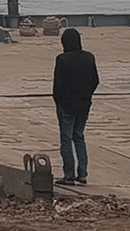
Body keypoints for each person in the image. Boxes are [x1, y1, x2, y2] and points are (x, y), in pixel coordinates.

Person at [52, 27, 99, 185]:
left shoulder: (62, 59)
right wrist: (86, 96)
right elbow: (95, 81)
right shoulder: (89, 57)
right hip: (84, 105)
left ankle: (69, 175)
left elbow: (58, 86)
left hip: (66, 105)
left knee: (66, 139)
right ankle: (83, 174)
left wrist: (59, 102)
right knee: (79, 137)